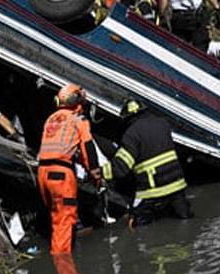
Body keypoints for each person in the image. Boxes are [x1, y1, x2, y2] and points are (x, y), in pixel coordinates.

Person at [101, 99, 192, 226]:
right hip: (177, 184)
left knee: (136, 224)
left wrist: (101, 173)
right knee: (186, 220)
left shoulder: (131, 134)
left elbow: (121, 167)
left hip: (151, 190)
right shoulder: (163, 123)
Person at [37, 83, 102, 254]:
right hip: (61, 176)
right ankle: (64, 272)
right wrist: (95, 175)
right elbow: (88, 149)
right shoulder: (78, 120)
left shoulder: (51, 119)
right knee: (64, 220)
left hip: (43, 173)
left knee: (55, 216)